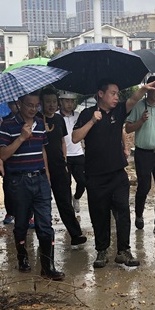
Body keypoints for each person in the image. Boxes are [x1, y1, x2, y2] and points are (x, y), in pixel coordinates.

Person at [71, 77, 155, 269]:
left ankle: (123, 251)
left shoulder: (118, 111)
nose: (116, 97)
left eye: (117, 94)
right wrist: (92, 121)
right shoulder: (86, 113)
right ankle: (102, 250)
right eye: (112, 93)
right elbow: (75, 137)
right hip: (95, 176)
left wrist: (144, 89)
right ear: (100, 94)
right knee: (99, 215)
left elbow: (133, 100)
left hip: (118, 174)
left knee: (123, 212)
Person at [0, 92, 64, 280]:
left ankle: (47, 267)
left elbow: (42, 149)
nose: (33, 109)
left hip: (40, 179)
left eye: (36, 106)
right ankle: (22, 257)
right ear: (19, 104)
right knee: (21, 224)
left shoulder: (40, 123)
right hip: (19, 182)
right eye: (29, 105)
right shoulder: (7, 125)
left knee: (45, 224)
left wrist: (47, 174)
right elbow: (3, 155)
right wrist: (21, 137)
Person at [125, 76, 155, 236]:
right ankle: (139, 214)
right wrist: (140, 121)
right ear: (148, 89)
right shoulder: (138, 106)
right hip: (143, 154)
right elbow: (128, 128)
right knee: (144, 187)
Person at [41, 88, 87, 247]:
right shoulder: (37, 121)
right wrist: (46, 171)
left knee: (65, 202)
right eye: (48, 102)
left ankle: (76, 234)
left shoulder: (59, 119)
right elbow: (41, 147)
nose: (51, 105)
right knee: (43, 203)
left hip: (60, 166)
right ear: (42, 103)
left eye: (53, 101)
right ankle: (45, 236)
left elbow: (62, 141)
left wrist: (65, 161)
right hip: (42, 168)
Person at [58, 91, 86, 213]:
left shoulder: (78, 115)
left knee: (83, 181)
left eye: (72, 101)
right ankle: (69, 209)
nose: (70, 104)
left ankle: (77, 197)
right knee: (66, 183)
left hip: (78, 153)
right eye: (67, 101)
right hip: (64, 155)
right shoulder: (56, 117)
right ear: (61, 101)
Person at [0, 100, 19, 225]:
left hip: (24, 160)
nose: (15, 106)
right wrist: (1, 164)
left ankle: (29, 215)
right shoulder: (4, 121)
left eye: (17, 103)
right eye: (12, 104)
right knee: (9, 188)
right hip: (9, 161)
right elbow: (0, 144)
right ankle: (10, 212)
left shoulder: (30, 120)